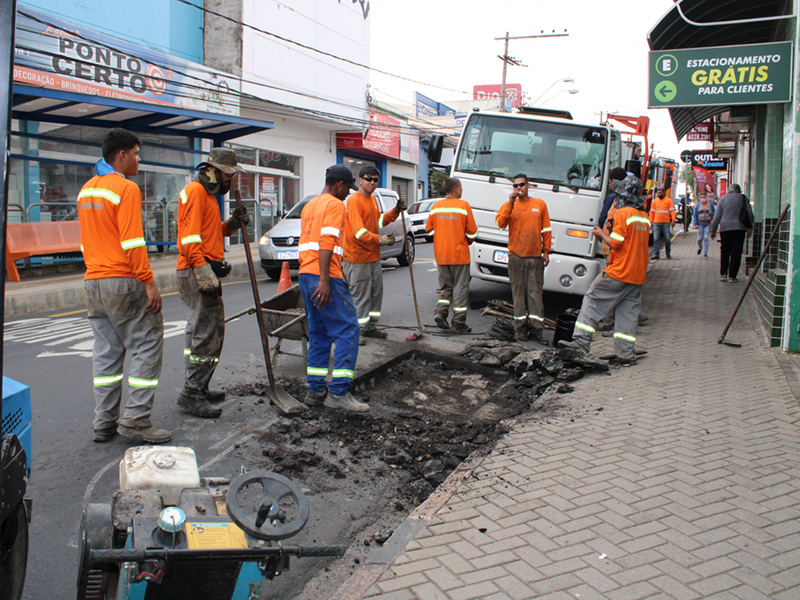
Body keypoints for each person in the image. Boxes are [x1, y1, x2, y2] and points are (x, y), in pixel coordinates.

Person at [78, 128, 170, 444]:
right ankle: (136, 420)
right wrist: (148, 283)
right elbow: (132, 241)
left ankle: (104, 422)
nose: (138, 160)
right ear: (122, 155)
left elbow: (87, 241)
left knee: (106, 354)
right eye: (136, 153)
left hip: (93, 282)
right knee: (147, 343)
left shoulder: (86, 190)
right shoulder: (125, 188)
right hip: (122, 279)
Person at [176, 148, 249, 418]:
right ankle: (192, 392)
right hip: (196, 270)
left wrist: (230, 224)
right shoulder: (196, 192)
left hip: (199, 267)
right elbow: (188, 238)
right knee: (208, 335)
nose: (232, 183)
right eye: (230, 176)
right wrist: (201, 268)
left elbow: (209, 232)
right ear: (219, 173)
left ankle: (199, 386)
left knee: (200, 333)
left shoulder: (207, 196)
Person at [559, 175, 651, 365]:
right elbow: (631, 241)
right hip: (637, 275)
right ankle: (626, 354)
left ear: (624, 195)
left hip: (619, 271)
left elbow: (616, 244)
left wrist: (601, 233)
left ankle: (581, 342)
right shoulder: (643, 216)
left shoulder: (623, 213)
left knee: (592, 299)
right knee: (627, 314)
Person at [299, 165, 368, 412]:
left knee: (319, 333)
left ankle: (315, 390)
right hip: (325, 276)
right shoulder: (336, 205)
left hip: (306, 274)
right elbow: (326, 241)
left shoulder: (311, 205)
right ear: (339, 184)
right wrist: (326, 279)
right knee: (348, 330)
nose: (349, 193)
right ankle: (339, 393)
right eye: (348, 188)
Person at [342, 166, 406, 344]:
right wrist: (381, 240)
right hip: (357, 258)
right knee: (360, 297)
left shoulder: (372, 201)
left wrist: (395, 212)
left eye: (375, 179)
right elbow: (359, 232)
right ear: (360, 180)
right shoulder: (354, 201)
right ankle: (357, 332)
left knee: (376, 293)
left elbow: (378, 220)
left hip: (372, 256)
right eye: (368, 179)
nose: (372, 182)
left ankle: (370, 327)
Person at [495, 174, 551, 343]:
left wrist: (546, 251)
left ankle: (536, 331)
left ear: (528, 186)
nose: (518, 188)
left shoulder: (539, 204)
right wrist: (510, 203)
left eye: (521, 185)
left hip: (534, 257)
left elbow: (546, 229)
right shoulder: (509, 205)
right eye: (515, 186)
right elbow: (500, 223)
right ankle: (520, 329)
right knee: (518, 294)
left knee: (535, 295)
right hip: (516, 257)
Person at [425, 177, 477, 333]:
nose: (462, 190)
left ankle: (441, 312)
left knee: (444, 287)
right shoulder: (463, 206)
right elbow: (472, 232)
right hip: (459, 255)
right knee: (460, 288)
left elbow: (429, 229)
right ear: (455, 189)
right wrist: (465, 239)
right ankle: (458, 322)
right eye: (461, 188)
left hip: (441, 255)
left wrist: (442, 236)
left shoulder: (436, 207)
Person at [710, 183, 754, 283]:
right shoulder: (743, 198)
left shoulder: (723, 199)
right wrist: (750, 228)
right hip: (740, 228)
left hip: (725, 228)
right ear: (739, 190)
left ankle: (723, 274)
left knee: (725, 250)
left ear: (729, 190)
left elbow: (717, 216)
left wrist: (713, 230)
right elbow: (749, 214)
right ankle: (732, 276)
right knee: (736, 251)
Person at [649, 186, 675, 259]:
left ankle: (668, 253)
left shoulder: (668, 201)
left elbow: (672, 211)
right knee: (656, 239)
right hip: (656, 222)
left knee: (667, 238)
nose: (659, 194)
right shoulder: (655, 201)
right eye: (658, 193)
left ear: (664, 193)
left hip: (666, 222)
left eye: (660, 193)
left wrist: (673, 219)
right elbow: (652, 213)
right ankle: (656, 254)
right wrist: (650, 223)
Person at [693, 193, 715, 258]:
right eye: (702, 197)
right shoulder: (697, 206)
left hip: (707, 223)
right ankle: (700, 247)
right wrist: (696, 224)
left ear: (706, 198)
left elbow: (714, 214)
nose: (703, 199)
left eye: (704, 197)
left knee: (706, 237)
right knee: (699, 239)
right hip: (700, 224)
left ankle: (705, 253)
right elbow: (695, 215)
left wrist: (711, 213)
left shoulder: (710, 205)